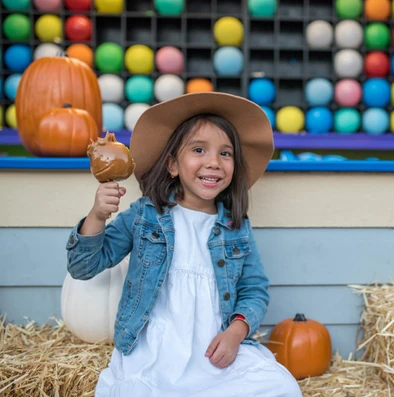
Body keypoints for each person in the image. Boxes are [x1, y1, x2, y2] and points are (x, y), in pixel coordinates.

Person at [66, 92, 303, 397]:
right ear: (173, 164)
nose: (214, 163)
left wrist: (236, 332)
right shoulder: (144, 216)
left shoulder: (236, 228)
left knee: (281, 387)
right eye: (199, 150)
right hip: (156, 351)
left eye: (225, 153)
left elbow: (253, 290)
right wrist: (97, 215)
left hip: (214, 350)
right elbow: (83, 267)